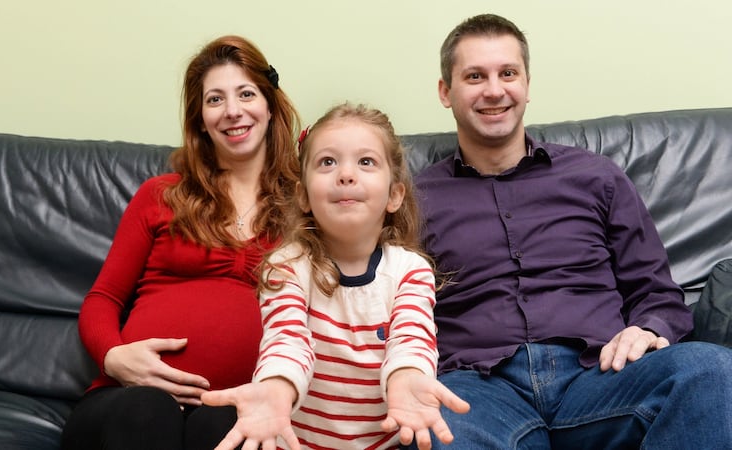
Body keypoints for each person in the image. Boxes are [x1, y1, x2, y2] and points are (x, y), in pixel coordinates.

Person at [414, 13, 732, 449]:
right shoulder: (412, 199)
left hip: (600, 377)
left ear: (527, 83)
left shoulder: (596, 177)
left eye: (508, 73)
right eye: (474, 76)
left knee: (712, 370)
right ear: (445, 92)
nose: (494, 89)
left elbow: (657, 293)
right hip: (479, 392)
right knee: (432, 428)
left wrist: (649, 328)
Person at [60, 35, 301, 450]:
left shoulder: (306, 203)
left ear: (270, 103)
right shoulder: (161, 194)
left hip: (236, 406)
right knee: (148, 412)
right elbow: (102, 298)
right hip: (125, 404)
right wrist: (114, 357)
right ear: (199, 119)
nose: (233, 111)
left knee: (227, 429)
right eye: (215, 100)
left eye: (246, 94)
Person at [201, 103, 470, 450]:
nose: (346, 174)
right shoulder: (286, 267)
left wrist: (407, 378)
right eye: (327, 162)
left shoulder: (410, 270)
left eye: (366, 162)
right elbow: (287, 342)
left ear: (394, 195)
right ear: (303, 196)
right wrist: (275, 388)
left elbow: (412, 339)